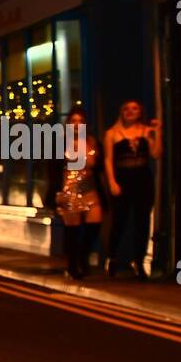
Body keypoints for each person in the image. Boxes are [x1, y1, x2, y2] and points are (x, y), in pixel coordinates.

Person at [103, 99, 160, 280]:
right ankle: (111, 257)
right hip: (122, 178)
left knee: (142, 222)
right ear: (121, 111)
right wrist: (112, 182)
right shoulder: (112, 133)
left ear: (140, 112)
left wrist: (157, 133)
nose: (130, 111)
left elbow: (156, 154)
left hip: (142, 178)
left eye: (134, 108)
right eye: (126, 108)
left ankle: (138, 260)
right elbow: (108, 160)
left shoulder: (146, 131)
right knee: (119, 220)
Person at [55, 108, 103, 279]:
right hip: (69, 187)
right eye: (73, 121)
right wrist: (56, 192)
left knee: (95, 223)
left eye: (80, 120)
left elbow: (100, 165)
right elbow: (53, 167)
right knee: (72, 230)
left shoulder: (92, 141)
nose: (76, 124)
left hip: (89, 187)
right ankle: (72, 264)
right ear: (68, 124)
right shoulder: (60, 142)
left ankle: (83, 256)